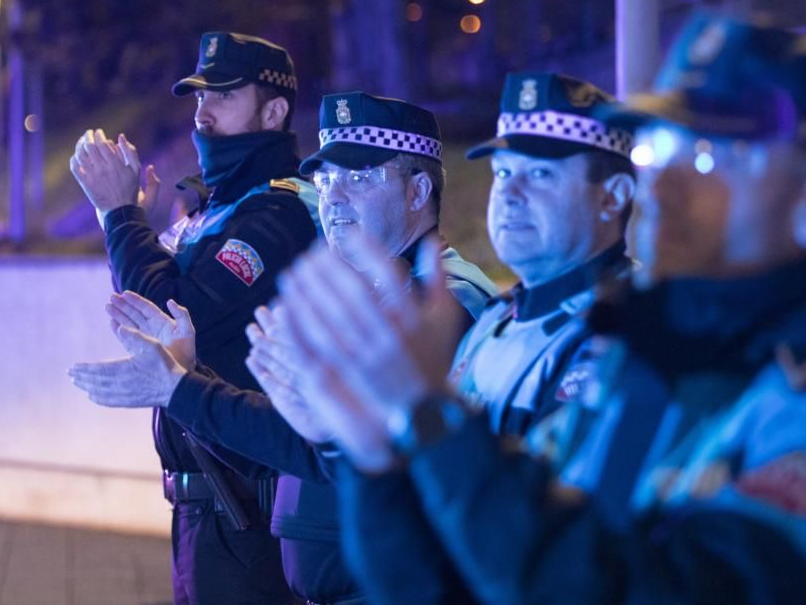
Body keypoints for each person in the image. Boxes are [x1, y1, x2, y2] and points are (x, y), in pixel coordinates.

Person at [264, 13, 806, 604]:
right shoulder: (652, 358)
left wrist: (431, 417)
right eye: (658, 150)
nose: (661, 185)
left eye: (705, 157)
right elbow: (450, 579)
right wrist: (371, 451)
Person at [71, 92, 498, 604]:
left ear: (418, 190)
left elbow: (381, 466)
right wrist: (187, 376)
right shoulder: (372, 301)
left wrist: (182, 389)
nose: (334, 197)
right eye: (326, 179)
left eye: (358, 178)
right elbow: (294, 455)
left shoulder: (446, 306)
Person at [260, 73, 644, 603]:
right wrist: (346, 445)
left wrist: (422, 415)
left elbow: (561, 555)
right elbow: (425, 515)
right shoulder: (497, 322)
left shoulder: (639, 335)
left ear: (614, 196)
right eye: (504, 171)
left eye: (540, 174)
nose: (509, 193)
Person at [69, 32, 312, 604]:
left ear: (273, 110)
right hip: (204, 508)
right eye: (199, 95)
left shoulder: (277, 211)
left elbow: (170, 312)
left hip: (245, 507)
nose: (202, 111)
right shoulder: (220, 209)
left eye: (223, 95)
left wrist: (119, 213)